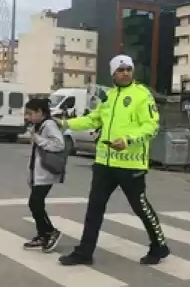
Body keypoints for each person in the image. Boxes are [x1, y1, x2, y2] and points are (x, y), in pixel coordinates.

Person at [57, 54, 169, 266]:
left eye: (128, 69)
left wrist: (128, 140)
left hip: (130, 163)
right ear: (113, 74)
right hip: (104, 163)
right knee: (94, 208)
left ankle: (159, 246)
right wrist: (65, 124)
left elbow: (151, 126)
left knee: (140, 207)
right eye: (120, 70)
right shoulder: (108, 96)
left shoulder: (142, 95)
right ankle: (84, 252)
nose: (125, 72)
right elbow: (93, 119)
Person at [23, 97, 65, 253]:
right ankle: (42, 234)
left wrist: (38, 139)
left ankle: (50, 232)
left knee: (35, 203)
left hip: (46, 173)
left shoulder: (49, 125)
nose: (27, 117)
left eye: (29, 113)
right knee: (35, 204)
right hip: (38, 174)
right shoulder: (38, 125)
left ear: (40, 112)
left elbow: (59, 144)